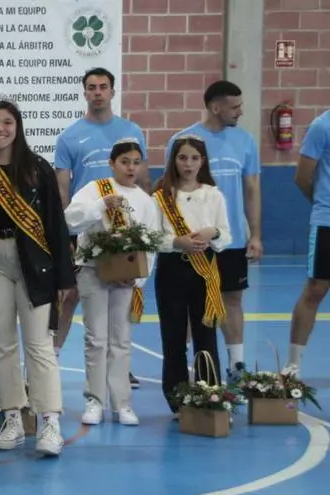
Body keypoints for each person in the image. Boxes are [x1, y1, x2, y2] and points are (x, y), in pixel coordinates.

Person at [0, 96, 74, 455]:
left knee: (39, 344)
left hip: (35, 264)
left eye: (7, 123)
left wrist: (64, 278)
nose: (0, 129)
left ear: (18, 127)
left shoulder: (38, 168)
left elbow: (56, 226)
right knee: (1, 343)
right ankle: (13, 417)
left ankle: (49, 423)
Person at [54, 68, 149, 389]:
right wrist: (63, 236)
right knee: (69, 297)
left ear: (112, 91)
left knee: (121, 295)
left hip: (123, 231)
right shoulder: (69, 137)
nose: (97, 92)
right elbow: (62, 191)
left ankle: (120, 366)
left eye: (103, 87)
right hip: (85, 230)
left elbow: (142, 182)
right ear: (84, 92)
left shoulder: (131, 131)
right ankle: (49, 361)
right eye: (91, 87)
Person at [167, 81, 262, 382]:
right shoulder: (183, 141)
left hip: (229, 239)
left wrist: (255, 234)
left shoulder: (245, 142)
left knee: (232, 299)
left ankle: (236, 365)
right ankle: (185, 368)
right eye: (234, 106)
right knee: (189, 305)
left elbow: (252, 189)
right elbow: (169, 191)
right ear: (215, 107)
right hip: (192, 242)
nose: (240, 111)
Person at [64, 138, 159, 426]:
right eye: (124, 162)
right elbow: (69, 220)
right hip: (93, 272)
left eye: (135, 162)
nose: (130, 168)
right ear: (111, 163)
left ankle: (122, 403)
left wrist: (137, 277)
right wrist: (100, 206)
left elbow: (150, 243)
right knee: (96, 338)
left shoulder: (145, 201)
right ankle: (94, 400)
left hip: (125, 280)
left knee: (121, 338)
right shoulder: (95, 190)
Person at [153, 135, 230, 414]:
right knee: (172, 336)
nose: (188, 164)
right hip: (172, 269)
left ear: (203, 161)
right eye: (182, 157)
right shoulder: (161, 197)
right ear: (174, 160)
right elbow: (152, 237)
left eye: (194, 158)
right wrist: (176, 242)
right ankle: (176, 399)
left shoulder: (213, 194)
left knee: (206, 335)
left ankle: (209, 394)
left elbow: (226, 235)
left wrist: (214, 232)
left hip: (205, 271)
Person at [286, 109, 330, 376]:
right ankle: (293, 364)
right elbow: (303, 177)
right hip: (327, 222)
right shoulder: (322, 126)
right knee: (315, 290)